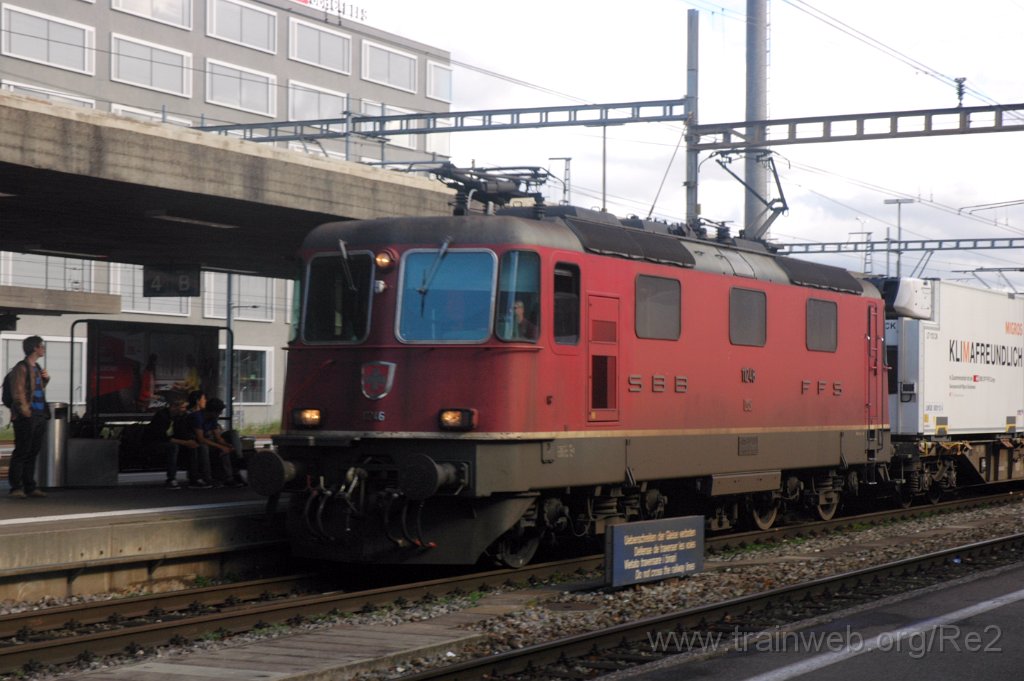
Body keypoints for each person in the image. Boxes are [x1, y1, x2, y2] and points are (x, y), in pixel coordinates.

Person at [7, 336, 50, 498]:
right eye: (41, 346)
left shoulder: (37, 367)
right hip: (28, 416)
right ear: (34, 348)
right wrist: (26, 413)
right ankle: (16, 487)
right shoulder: (22, 367)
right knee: (22, 451)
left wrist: (46, 380)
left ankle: (30, 486)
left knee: (33, 451)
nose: (43, 349)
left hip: (38, 414)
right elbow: (18, 393)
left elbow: (35, 390)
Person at [141, 395, 192, 489]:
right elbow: (162, 436)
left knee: (194, 446)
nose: (184, 410)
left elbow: (182, 432)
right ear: (174, 407)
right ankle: (171, 478)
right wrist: (184, 442)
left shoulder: (180, 417)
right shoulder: (161, 416)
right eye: (182, 407)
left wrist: (189, 440)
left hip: (170, 440)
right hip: (155, 442)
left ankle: (195, 477)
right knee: (173, 447)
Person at [180, 391, 213, 489]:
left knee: (202, 446)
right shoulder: (190, 415)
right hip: (191, 439)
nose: (205, 401)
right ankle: (202, 478)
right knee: (200, 447)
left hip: (199, 438)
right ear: (198, 401)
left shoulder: (203, 414)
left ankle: (205, 478)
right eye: (204, 399)